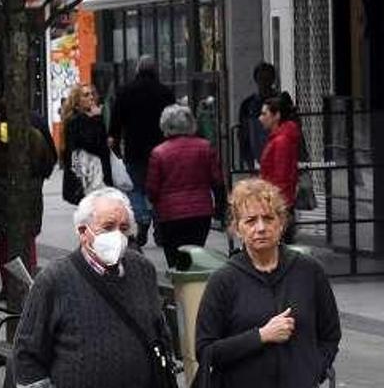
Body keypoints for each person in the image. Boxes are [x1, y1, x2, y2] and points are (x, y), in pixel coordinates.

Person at [12, 187, 173, 388]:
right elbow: (28, 354)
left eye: (123, 228)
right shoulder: (55, 279)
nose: (117, 236)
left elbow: (159, 331)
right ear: (83, 232)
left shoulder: (143, 269)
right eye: (108, 227)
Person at [195, 178, 341, 388]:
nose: (261, 228)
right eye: (251, 221)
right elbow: (206, 351)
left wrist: (313, 370)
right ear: (238, 229)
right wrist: (260, 336)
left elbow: (330, 334)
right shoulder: (224, 280)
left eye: (268, 218)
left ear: (281, 224)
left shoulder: (309, 271)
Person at [0, 101, 57, 302]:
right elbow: (47, 162)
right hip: (30, 193)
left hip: (2, 196)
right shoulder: (34, 135)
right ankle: (30, 284)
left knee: (4, 243)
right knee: (28, 240)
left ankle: (8, 285)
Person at [145, 104, 225, 269]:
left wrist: (154, 205)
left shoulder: (159, 153)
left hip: (170, 214)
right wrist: (220, 207)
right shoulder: (205, 147)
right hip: (200, 212)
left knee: (175, 259)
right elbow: (217, 180)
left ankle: (179, 289)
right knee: (195, 253)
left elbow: (153, 189)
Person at [108, 55, 176, 247]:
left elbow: (116, 122)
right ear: (156, 71)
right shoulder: (165, 92)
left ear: (137, 70)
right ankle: (158, 223)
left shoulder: (126, 92)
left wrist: (115, 141)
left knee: (135, 188)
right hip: (161, 149)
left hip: (134, 149)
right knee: (159, 190)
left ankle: (141, 217)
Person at [258, 93, 300, 244]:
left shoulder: (281, 141)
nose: (260, 118)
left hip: (278, 202)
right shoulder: (280, 138)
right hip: (278, 200)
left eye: (264, 114)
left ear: (276, 116)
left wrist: (272, 203)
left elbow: (281, 177)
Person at [61, 84, 112, 205]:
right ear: (77, 101)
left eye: (91, 94)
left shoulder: (89, 118)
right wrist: (78, 178)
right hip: (87, 176)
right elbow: (90, 145)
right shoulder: (76, 121)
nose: (91, 98)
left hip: (97, 175)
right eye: (86, 95)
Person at [238, 62, 278, 169]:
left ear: (273, 80)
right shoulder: (248, 105)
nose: (264, 83)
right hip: (257, 159)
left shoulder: (281, 102)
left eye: (267, 79)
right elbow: (243, 134)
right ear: (256, 80)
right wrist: (246, 159)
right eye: (261, 79)